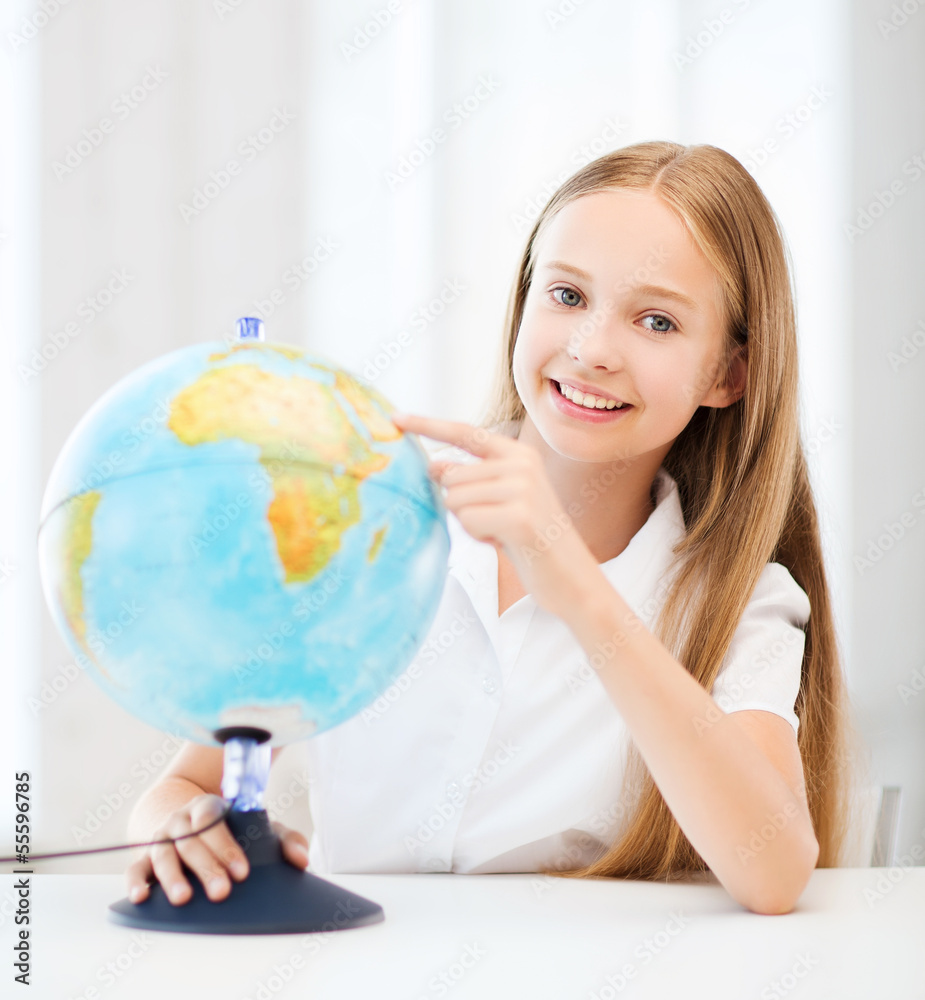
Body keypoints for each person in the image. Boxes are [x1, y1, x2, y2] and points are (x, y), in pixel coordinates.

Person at [125, 140, 865, 916]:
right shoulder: (365, 517)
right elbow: (183, 785)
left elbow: (775, 872)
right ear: (523, 301)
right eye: (567, 297)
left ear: (727, 375)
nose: (590, 350)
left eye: (655, 321)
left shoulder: (737, 599)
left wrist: (574, 585)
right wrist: (170, 828)